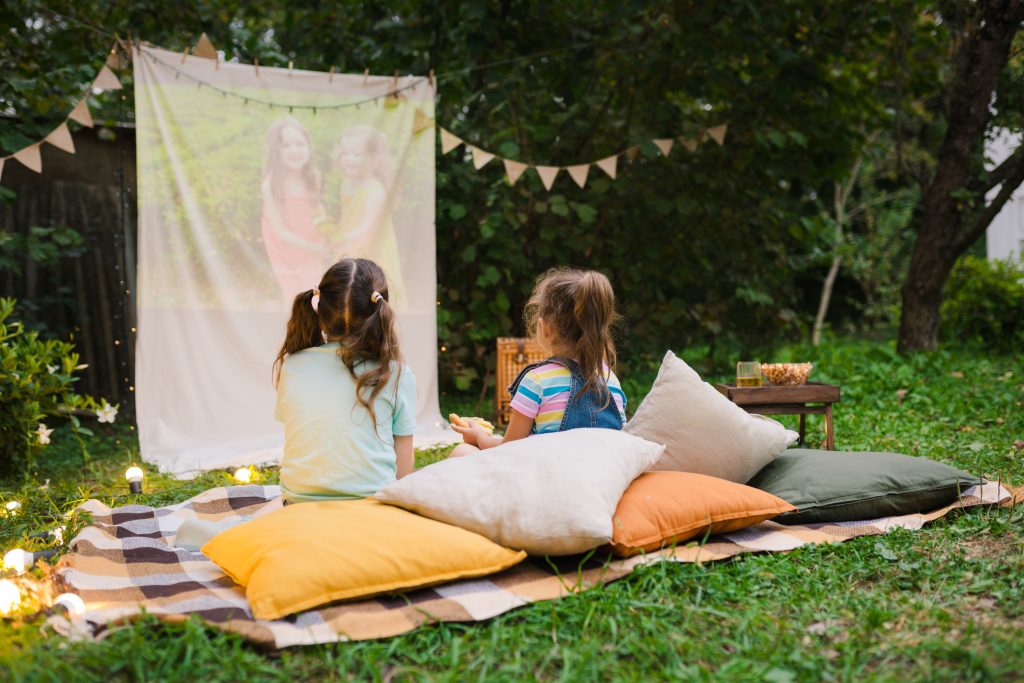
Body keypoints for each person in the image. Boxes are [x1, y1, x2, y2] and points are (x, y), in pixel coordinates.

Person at [272, 258, 416, 503]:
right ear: (380, 309)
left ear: (322, 310)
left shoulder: (293, 365)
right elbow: (403, 472)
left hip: (297, 503)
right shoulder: (397, 373)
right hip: (371, 506)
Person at [450, 268, 627, 455]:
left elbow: (509, 448)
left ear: (545, 327)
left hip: (549, 476)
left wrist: (479, 437)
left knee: (461, 452)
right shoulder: (610, 380)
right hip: (602, 476)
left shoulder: (537, 381)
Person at [333, 126, 406, 309]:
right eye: (346, 154)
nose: (349, 159)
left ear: (373, 159)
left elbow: (368, 225)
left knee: (366, 288)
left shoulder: (375, 190)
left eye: (357, 155)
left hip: (372, 245)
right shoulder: (346, 183)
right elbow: (349, 216)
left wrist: (342, 238)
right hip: (350, 241)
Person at [260, 117, 330, 304]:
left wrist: (325, 229)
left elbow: (316, 207)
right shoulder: (271, 185)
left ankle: (313, 332)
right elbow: (280, 231)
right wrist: (314, 247)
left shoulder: (313, 177)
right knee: (295, 298)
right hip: (285, 250)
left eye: (300, 144)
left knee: (315, 295)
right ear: (277, 151)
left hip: (310, 245)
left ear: (308, 147)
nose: (295, 150)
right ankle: (297, 332)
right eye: (287, 145)